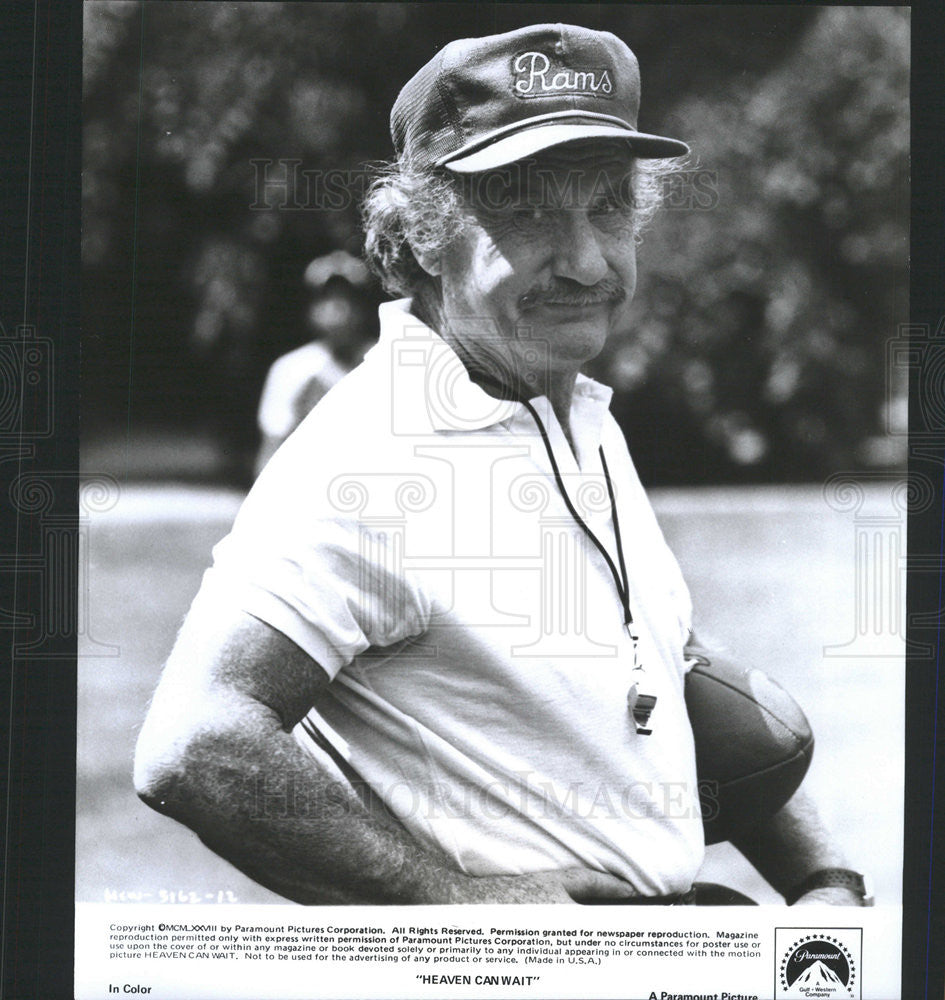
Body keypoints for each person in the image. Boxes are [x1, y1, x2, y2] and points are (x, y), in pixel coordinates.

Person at [134, 24, 870, 907]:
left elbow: (668, 673)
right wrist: (459, 903)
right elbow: (197, 741)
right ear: (417, 239)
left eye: (606, 206)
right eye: (525, 211)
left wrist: (821, 879)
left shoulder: (577, 416)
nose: (587, 261)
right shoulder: (368, 458)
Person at [255, 251, 377, 477]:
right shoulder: (291, 369)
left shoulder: (388, 360)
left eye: (348, 299)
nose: (338, 309)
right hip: (312, 489)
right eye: (327, 298)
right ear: (312, 309)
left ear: (364, 307)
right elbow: (271, 450)